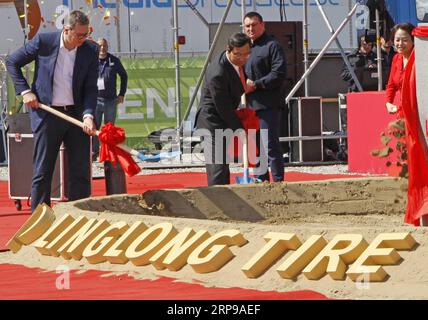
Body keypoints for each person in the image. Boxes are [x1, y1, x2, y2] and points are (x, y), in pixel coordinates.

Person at [6, 10, 98, 212]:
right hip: (48, 114)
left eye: (87, 33)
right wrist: (25, 91)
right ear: (67, 30)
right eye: (79, 35)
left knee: (80, 171)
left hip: (76, 115)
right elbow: (12, 62)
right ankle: (40, 217)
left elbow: (91, 88)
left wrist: (89, 115)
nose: (84, 39)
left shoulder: (90, 50)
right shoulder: (44, 42)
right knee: (43, 170)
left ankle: (80, 215)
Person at [384, 23, 428, 226]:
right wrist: (388, 101)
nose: (400, 44)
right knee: (412, 166)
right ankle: (418, 208)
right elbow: (391, 85)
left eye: (404, 40)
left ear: (413, 40)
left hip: (420, 116)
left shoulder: (421, 58)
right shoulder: (395, 60)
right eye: (396, 40)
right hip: (404, 116)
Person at [194, 32, 251, 186]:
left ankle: (227, 199)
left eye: (246, 54)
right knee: (217, 168)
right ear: (229, 49)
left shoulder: (230, 61)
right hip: (212, 122)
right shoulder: (217, 74)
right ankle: (216, 202)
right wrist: (239, 129)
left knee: (224, 165)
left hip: (223, 121)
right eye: (238, 55)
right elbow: (223, 107)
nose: (242, 58)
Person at [243, 12, 287, 182]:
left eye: (254, 25)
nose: (250, 29)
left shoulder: (273, 46)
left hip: (268, 105)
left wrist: (256, 84)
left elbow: (279, 74)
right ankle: (261, 180)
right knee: (256, 147)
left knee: (270, 145)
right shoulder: (245, 48)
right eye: (247, 26)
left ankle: (277, 183)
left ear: (263, 24)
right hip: (250, 106)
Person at [92, 38, 128, 160]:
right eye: (100, 46)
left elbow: (124, 75)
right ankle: (94, 153)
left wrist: (121, 94)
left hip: (111, 101)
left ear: (107, 47)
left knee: (109, 129)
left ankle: (107, 153)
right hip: (95, 100)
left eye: (105, 46)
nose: (102, 48)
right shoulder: (91, 60)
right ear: (97, 46)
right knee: (94, 128)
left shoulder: (113, 60)